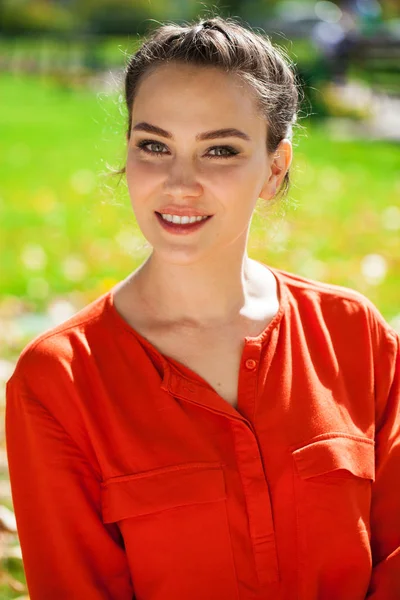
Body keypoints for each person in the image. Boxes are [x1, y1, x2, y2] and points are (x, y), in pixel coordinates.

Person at [5, 15, 399, 600]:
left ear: (274, 168)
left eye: (219, 150)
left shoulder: (352, 334)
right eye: (155, 145)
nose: (179, 183)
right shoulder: (58, 380)